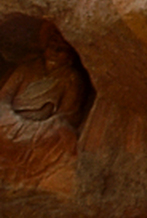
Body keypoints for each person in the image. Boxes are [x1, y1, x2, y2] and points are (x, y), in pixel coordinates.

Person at [0, 26, 87, 192]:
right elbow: (4, 97)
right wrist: (9, 117)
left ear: (70, 55)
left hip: (43, 128)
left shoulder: (71, 78)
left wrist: (40, 126)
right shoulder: (27, 68)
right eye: (52, 45)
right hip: (10, 120)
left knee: (60, 141)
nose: (55, 51)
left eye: (61, 49)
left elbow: (68, 115)